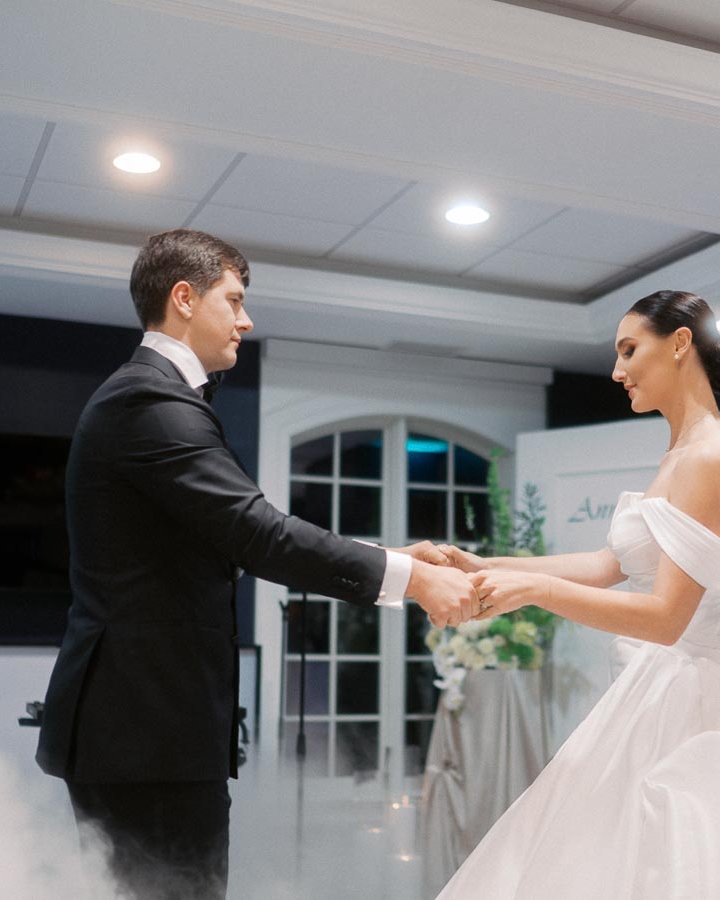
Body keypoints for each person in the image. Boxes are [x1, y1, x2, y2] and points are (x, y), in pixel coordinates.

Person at [35, 228, 478, 899]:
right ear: (183, 298)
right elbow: (258, 534)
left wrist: (391, 556)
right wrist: (413, 580)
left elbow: (231, 534)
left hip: (148, 727)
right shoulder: (149, 401)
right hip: (144, 731)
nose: (246, 320)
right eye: (234, 300)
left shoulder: (154, 397)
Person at [434, 291, 720, 900]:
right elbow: (608, 565)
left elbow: (668, 618)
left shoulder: (706, 457)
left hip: (688, 700)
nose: (617, 371)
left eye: (628, 350)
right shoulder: (683, 451)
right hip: (660, 683)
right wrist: (487, 563)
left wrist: (537, 590)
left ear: (679, 344)